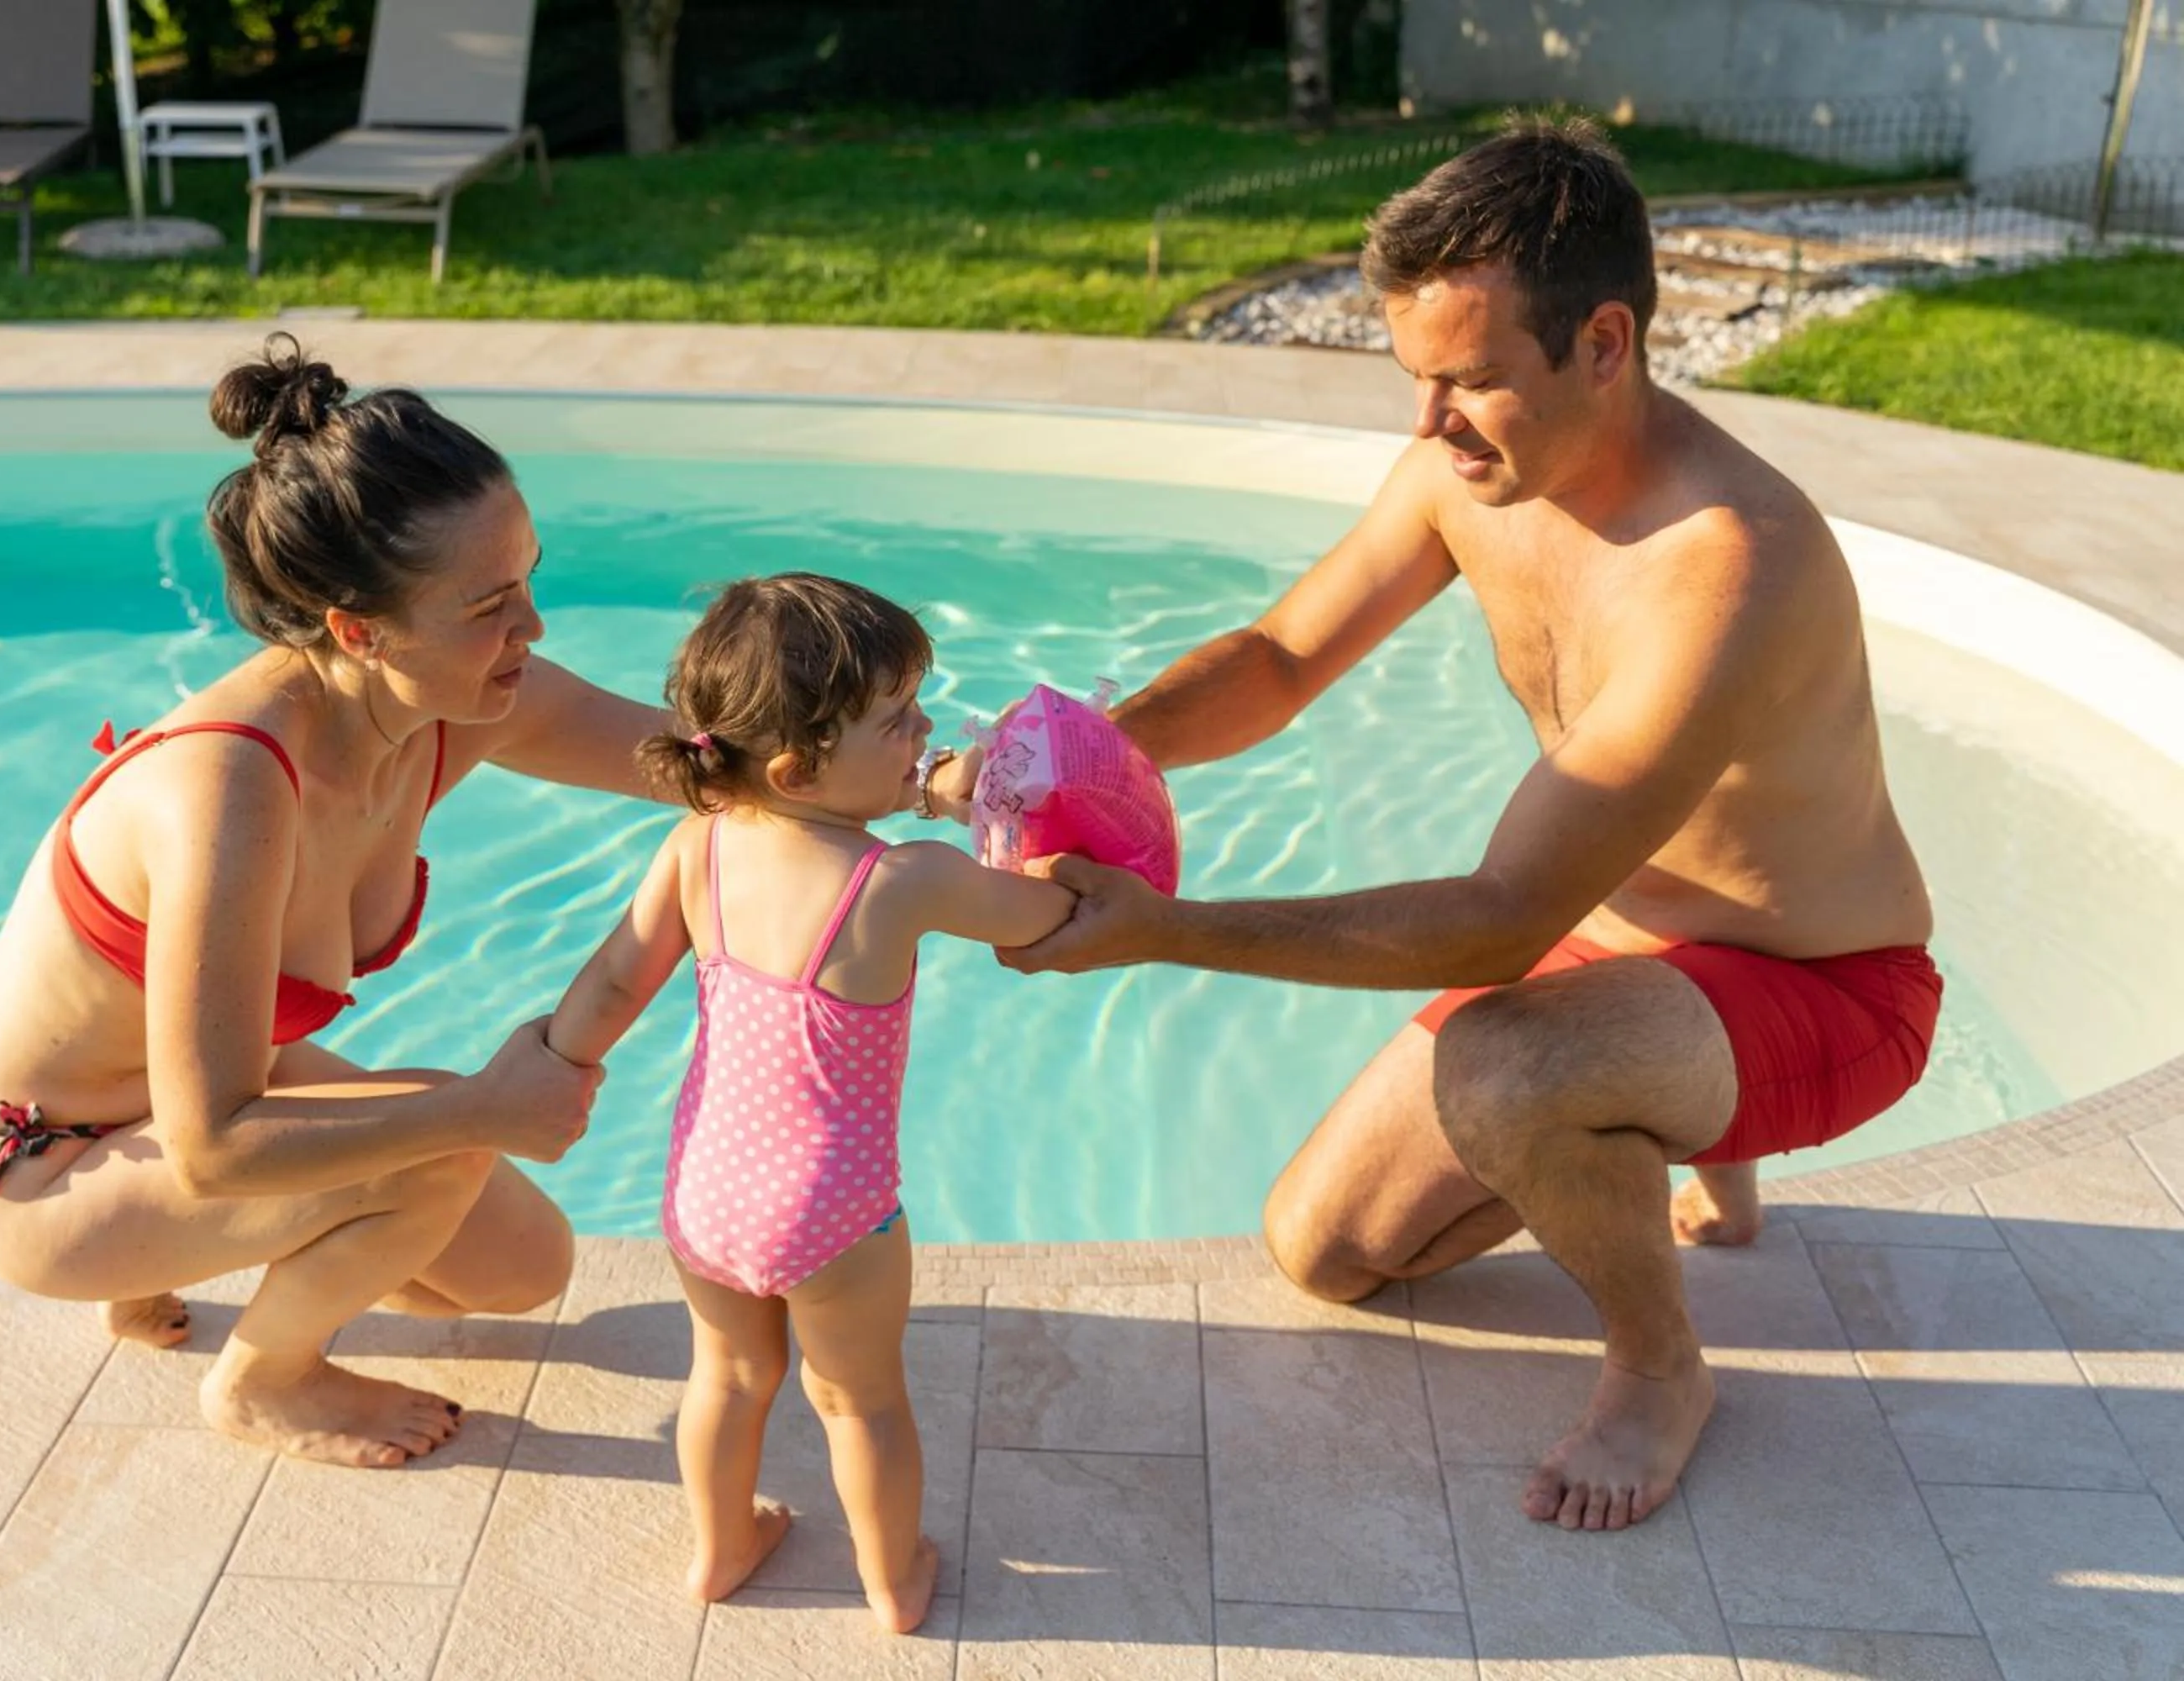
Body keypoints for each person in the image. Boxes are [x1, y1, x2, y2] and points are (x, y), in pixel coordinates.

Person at [993, 119, 1943, 1533]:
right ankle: (1680, 1137)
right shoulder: (1468, 467)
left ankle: (1660, 1368)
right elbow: (1285, 656)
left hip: (1825, 983)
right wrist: (1093, 751)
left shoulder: (1729, 566)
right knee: (1322, 1253)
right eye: (1417, 379)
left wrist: (1165, 934)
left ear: (1605, 344)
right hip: (1624, 931)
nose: (1430, 426)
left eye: (1475, 382)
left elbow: (1506, 917)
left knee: (1505, 1071)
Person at [0, 336, 667, 1469]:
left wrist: (960, 797)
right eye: (490, 607)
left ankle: (158, 1266)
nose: (532, 628)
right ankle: (264, 1381)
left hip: (173, 1105)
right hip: (48, 1165)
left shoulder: (457, 700)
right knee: (438, 1140)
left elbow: (703, 762)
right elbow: (217, 1145)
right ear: (357, 630)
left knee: (524, 1270)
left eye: (529, 579)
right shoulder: (230, 789)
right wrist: (485, 1108)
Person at [544, 574, 1073, 1630]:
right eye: (898, 720)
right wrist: (1023, 820)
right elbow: (1049, 912)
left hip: (706, 1193)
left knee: (729, 1376)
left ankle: (721, 1548)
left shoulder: (694, 844)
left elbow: (612, 983)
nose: (924, 727)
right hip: (834, 1212)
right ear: (798, 766)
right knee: (858, 1398)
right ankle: (893, 1578)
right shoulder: (904, 881)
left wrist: (562, 1065)